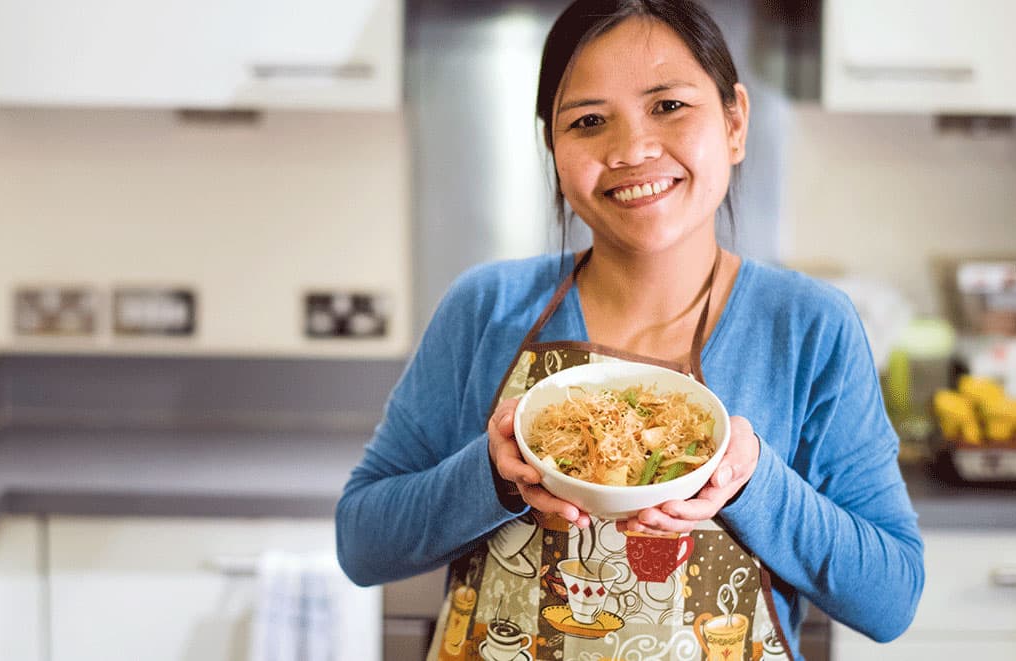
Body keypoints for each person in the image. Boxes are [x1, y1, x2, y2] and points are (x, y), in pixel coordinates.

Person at [336, 0, 924, 658]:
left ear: (734, 122)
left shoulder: (809, 327)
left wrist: (756, 481)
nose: (633, 149)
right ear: (554, 150)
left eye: (669, 105)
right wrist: (492, 477)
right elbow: (361, 542)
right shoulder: (485, 308)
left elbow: (891, 596)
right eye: (588, 121)